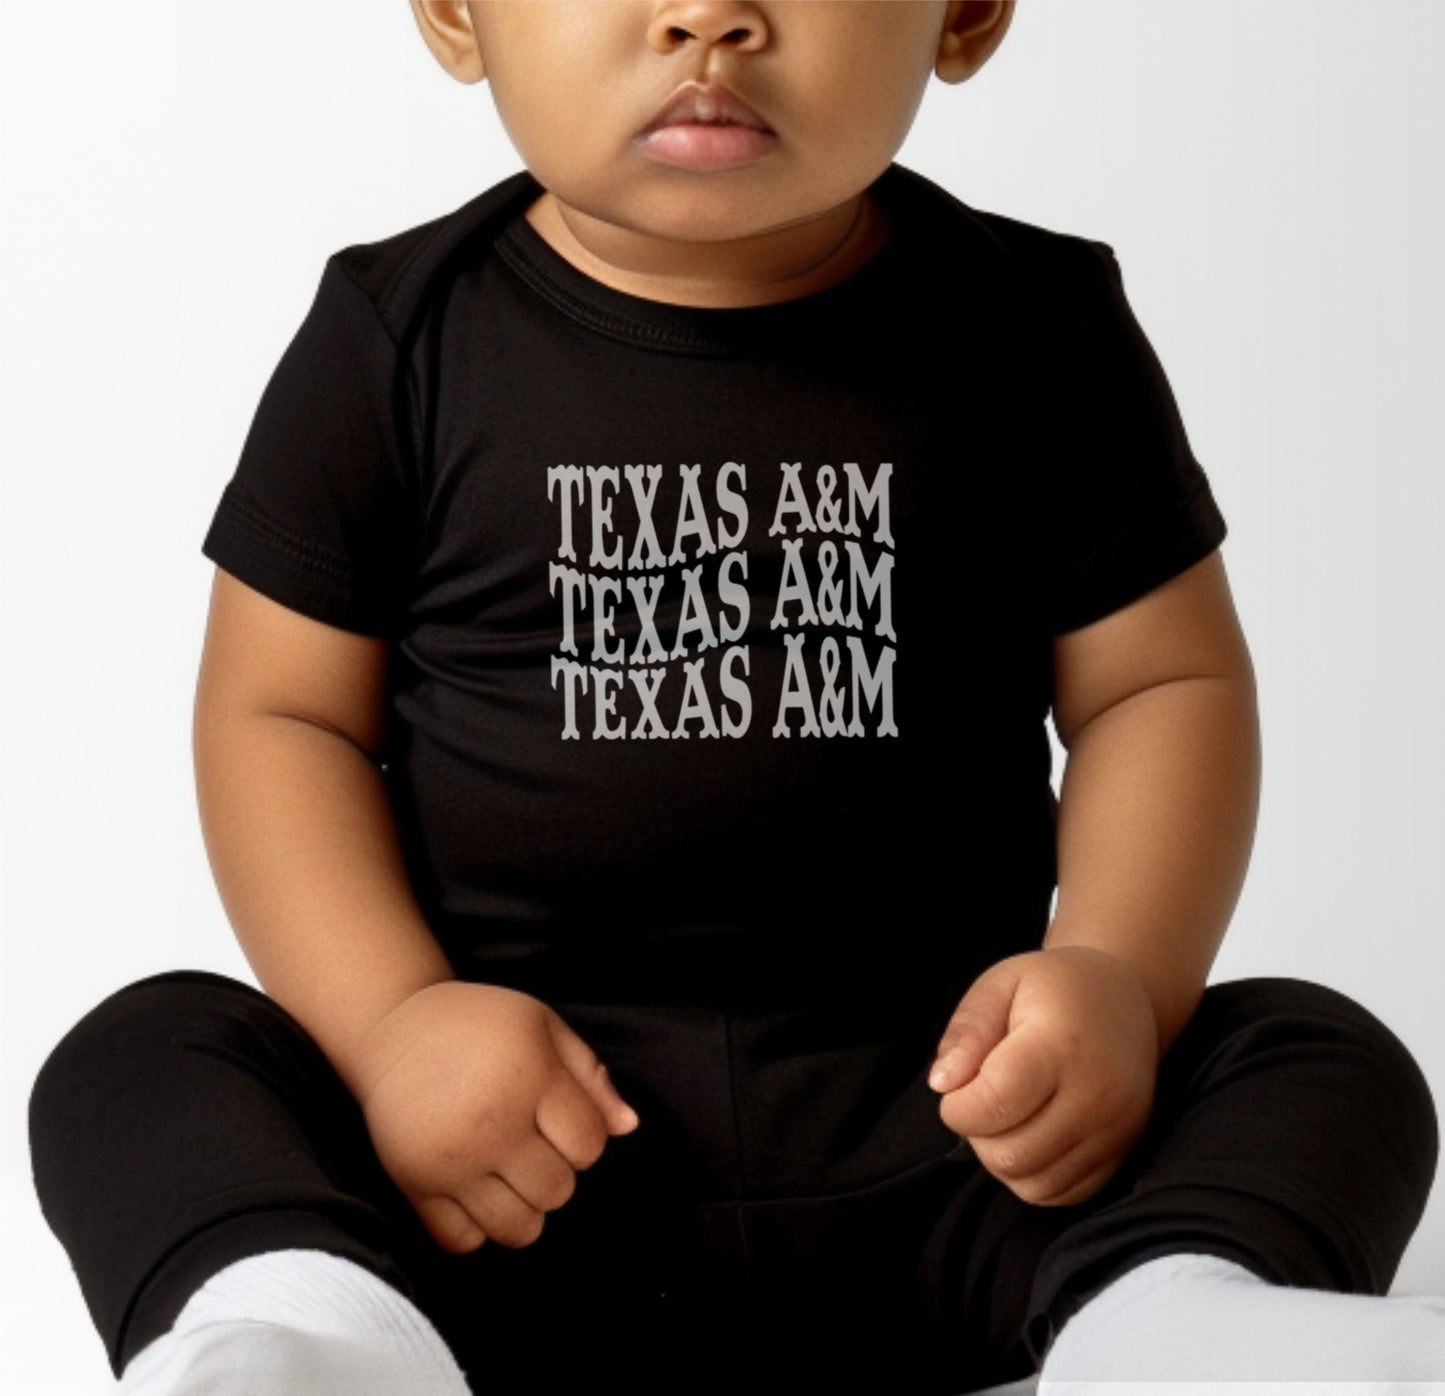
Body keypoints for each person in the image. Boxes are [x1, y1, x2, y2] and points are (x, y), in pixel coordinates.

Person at [26, 3, 1445, 1393]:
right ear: (456, 15)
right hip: (498, 1183)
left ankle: (1168, 1330)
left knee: (1314, 1049)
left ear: (964, 15)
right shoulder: (396, 340)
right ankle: (319, 1337)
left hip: (959, 1151)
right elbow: (282, 715)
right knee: (143, 1053)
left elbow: (1160, 684)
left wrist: (1121, 981)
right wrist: (393, 1024)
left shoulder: (1034, 330)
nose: (708, 17)